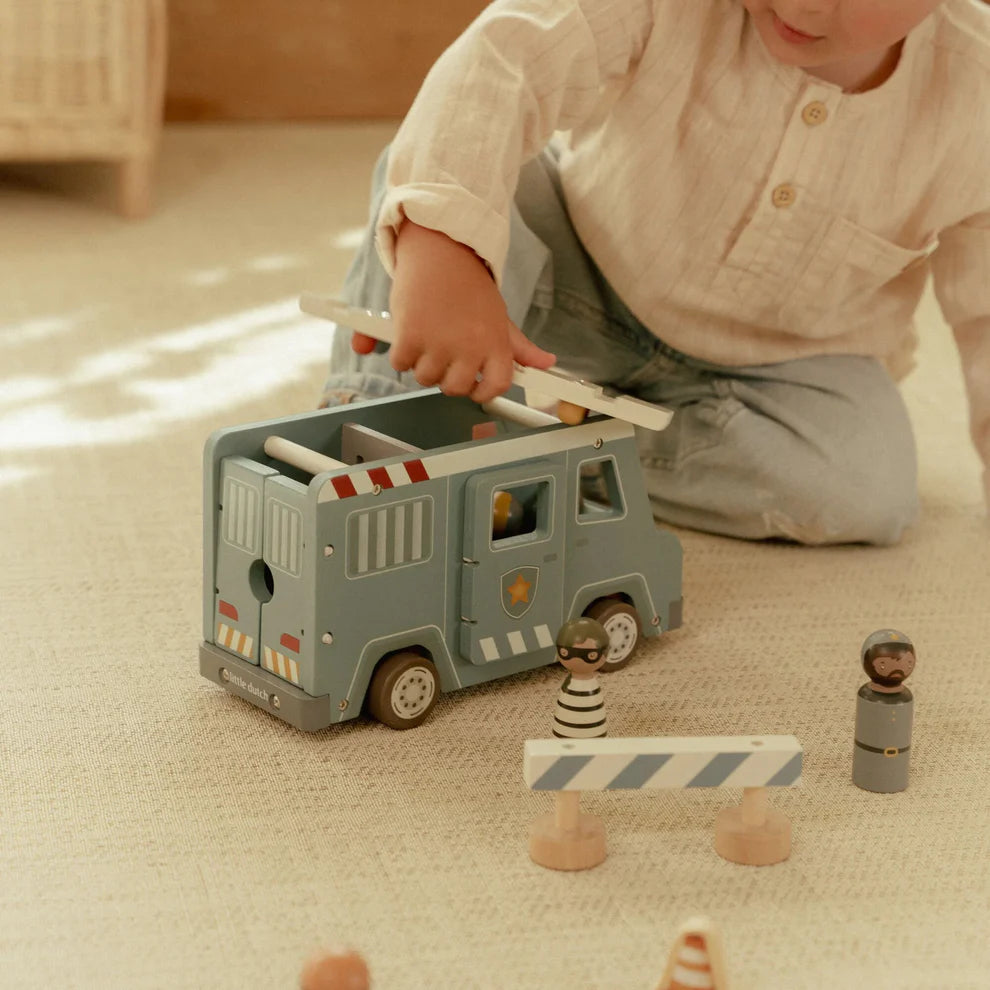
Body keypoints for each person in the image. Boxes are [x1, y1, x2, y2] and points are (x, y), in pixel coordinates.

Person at [321, 0, 990, 546]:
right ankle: (378, 431)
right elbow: (506, 57)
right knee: (446, 185)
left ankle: (564, 452)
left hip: (783, 366)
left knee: (863, 492)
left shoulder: (976, 89)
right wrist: (446, 252)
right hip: (574, 274)